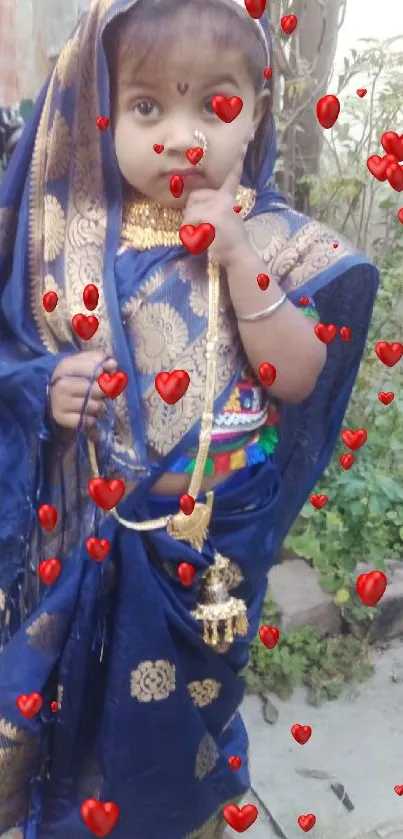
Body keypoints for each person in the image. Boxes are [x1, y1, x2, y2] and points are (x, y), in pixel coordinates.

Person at [0, 0, 379, 837]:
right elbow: (19, 361)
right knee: (82, 701)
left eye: (215, 104)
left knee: (186, 723)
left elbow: (296, 373)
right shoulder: (68, 240)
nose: (182, 135)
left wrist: (240, 258)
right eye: (147, 107)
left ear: (257, 114)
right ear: (101, 112)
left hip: (210, 547)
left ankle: (181, 817)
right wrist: (50, 390)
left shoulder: (273, 238)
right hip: (93, 531)